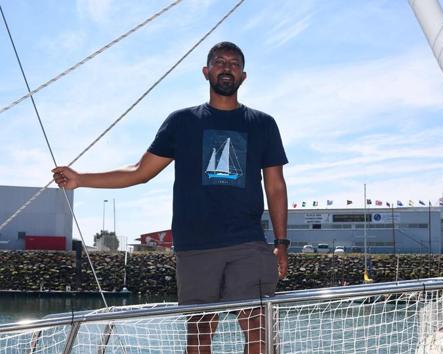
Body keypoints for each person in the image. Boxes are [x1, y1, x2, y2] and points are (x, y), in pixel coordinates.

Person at [52, 41, 289, 354]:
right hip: (195, 247)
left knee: (260, 329)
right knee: (199, 334)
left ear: (244, 76)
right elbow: (140, 171)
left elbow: (276, 187)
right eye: (219, 61)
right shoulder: (182, 122)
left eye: (234, 63)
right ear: (206, 72)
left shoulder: (263, 124)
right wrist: (82, 179)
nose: (226, 67)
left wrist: (282, 244)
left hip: (248, 243)